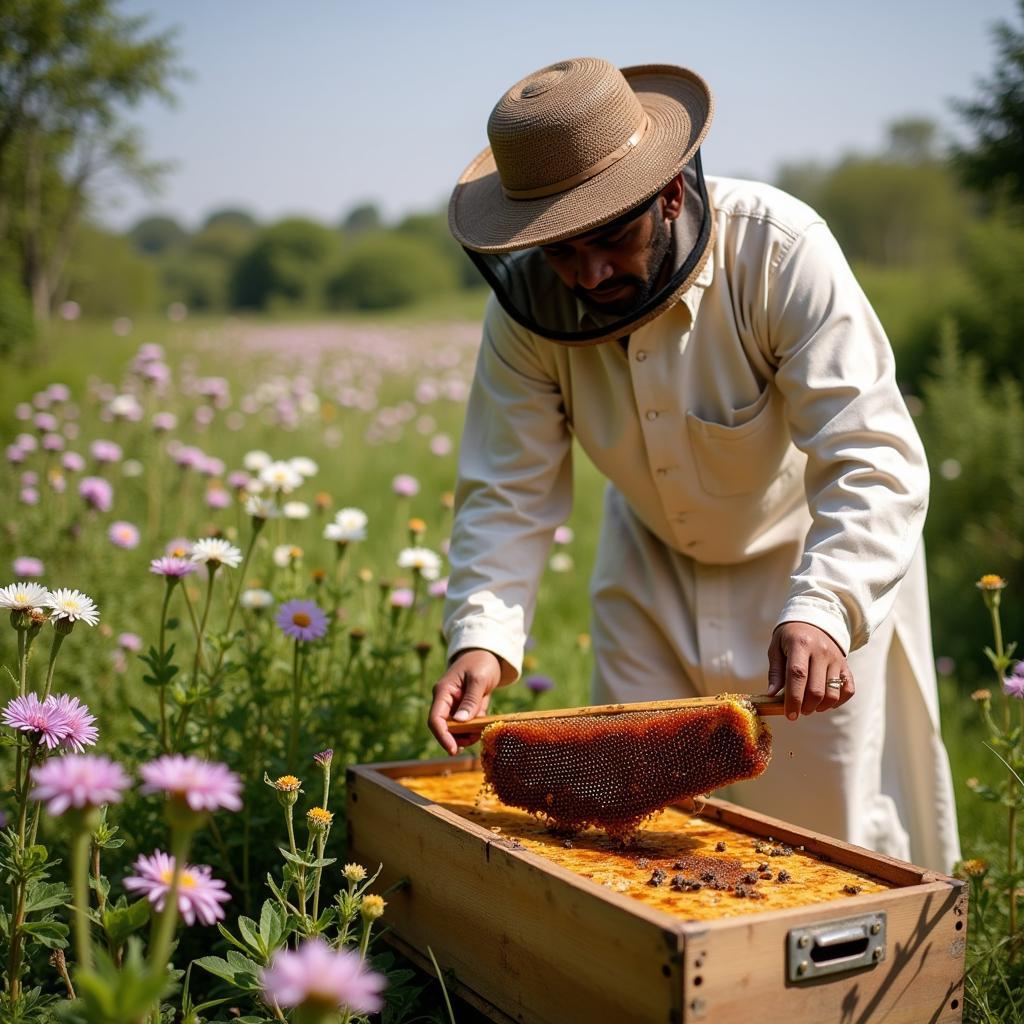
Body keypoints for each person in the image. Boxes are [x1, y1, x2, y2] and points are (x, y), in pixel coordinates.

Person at [427, 57, 960, 872]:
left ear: (670, 192)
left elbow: (871, 453)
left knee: (831, 837)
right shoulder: (528, 314)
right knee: (634, 840)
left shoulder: (779, 251)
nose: (590, 274)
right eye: (562, 253)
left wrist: (824, 607)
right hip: (649, 574)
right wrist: (482, 638)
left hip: (812, 565)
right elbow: (508, 489)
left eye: (612, 238)